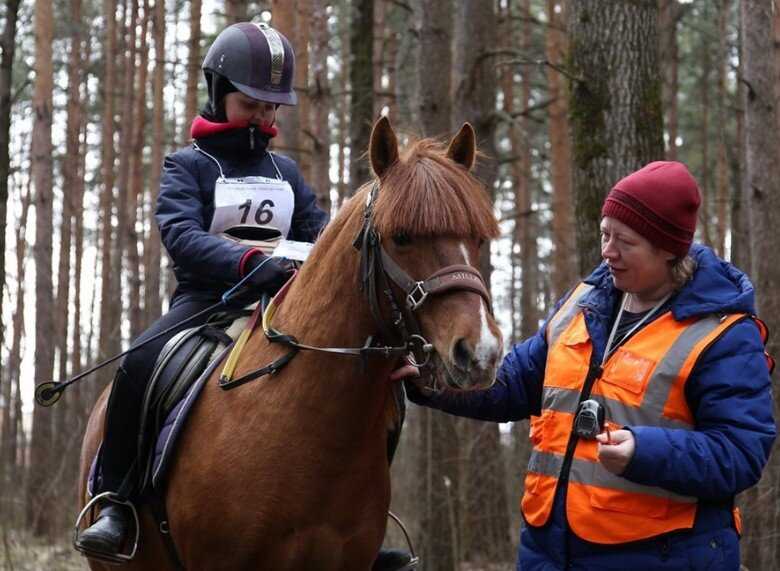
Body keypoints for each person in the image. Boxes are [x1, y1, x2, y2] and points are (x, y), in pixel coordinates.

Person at [396, 161, 776, 570]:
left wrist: (644, 451)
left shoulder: (722, 334)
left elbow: (740, 452)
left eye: (624, 241)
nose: (607, 251)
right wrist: (431, 379)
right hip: (548, 552)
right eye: (604, 234)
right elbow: (515, 384)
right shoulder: (584, 302)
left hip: (656, 557)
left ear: (668, 249)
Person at [78, 22, 328, 555]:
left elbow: (320, 236)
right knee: (138, 365)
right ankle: (116, 502)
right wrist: (247, 263)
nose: (264, 117)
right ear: (219, 93)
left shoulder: (285, 173)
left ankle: (356, 518)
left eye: (271, 107)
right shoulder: (188, 165)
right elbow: (181, 235)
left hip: (283, 306)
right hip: (206, 304)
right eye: (251, 103)